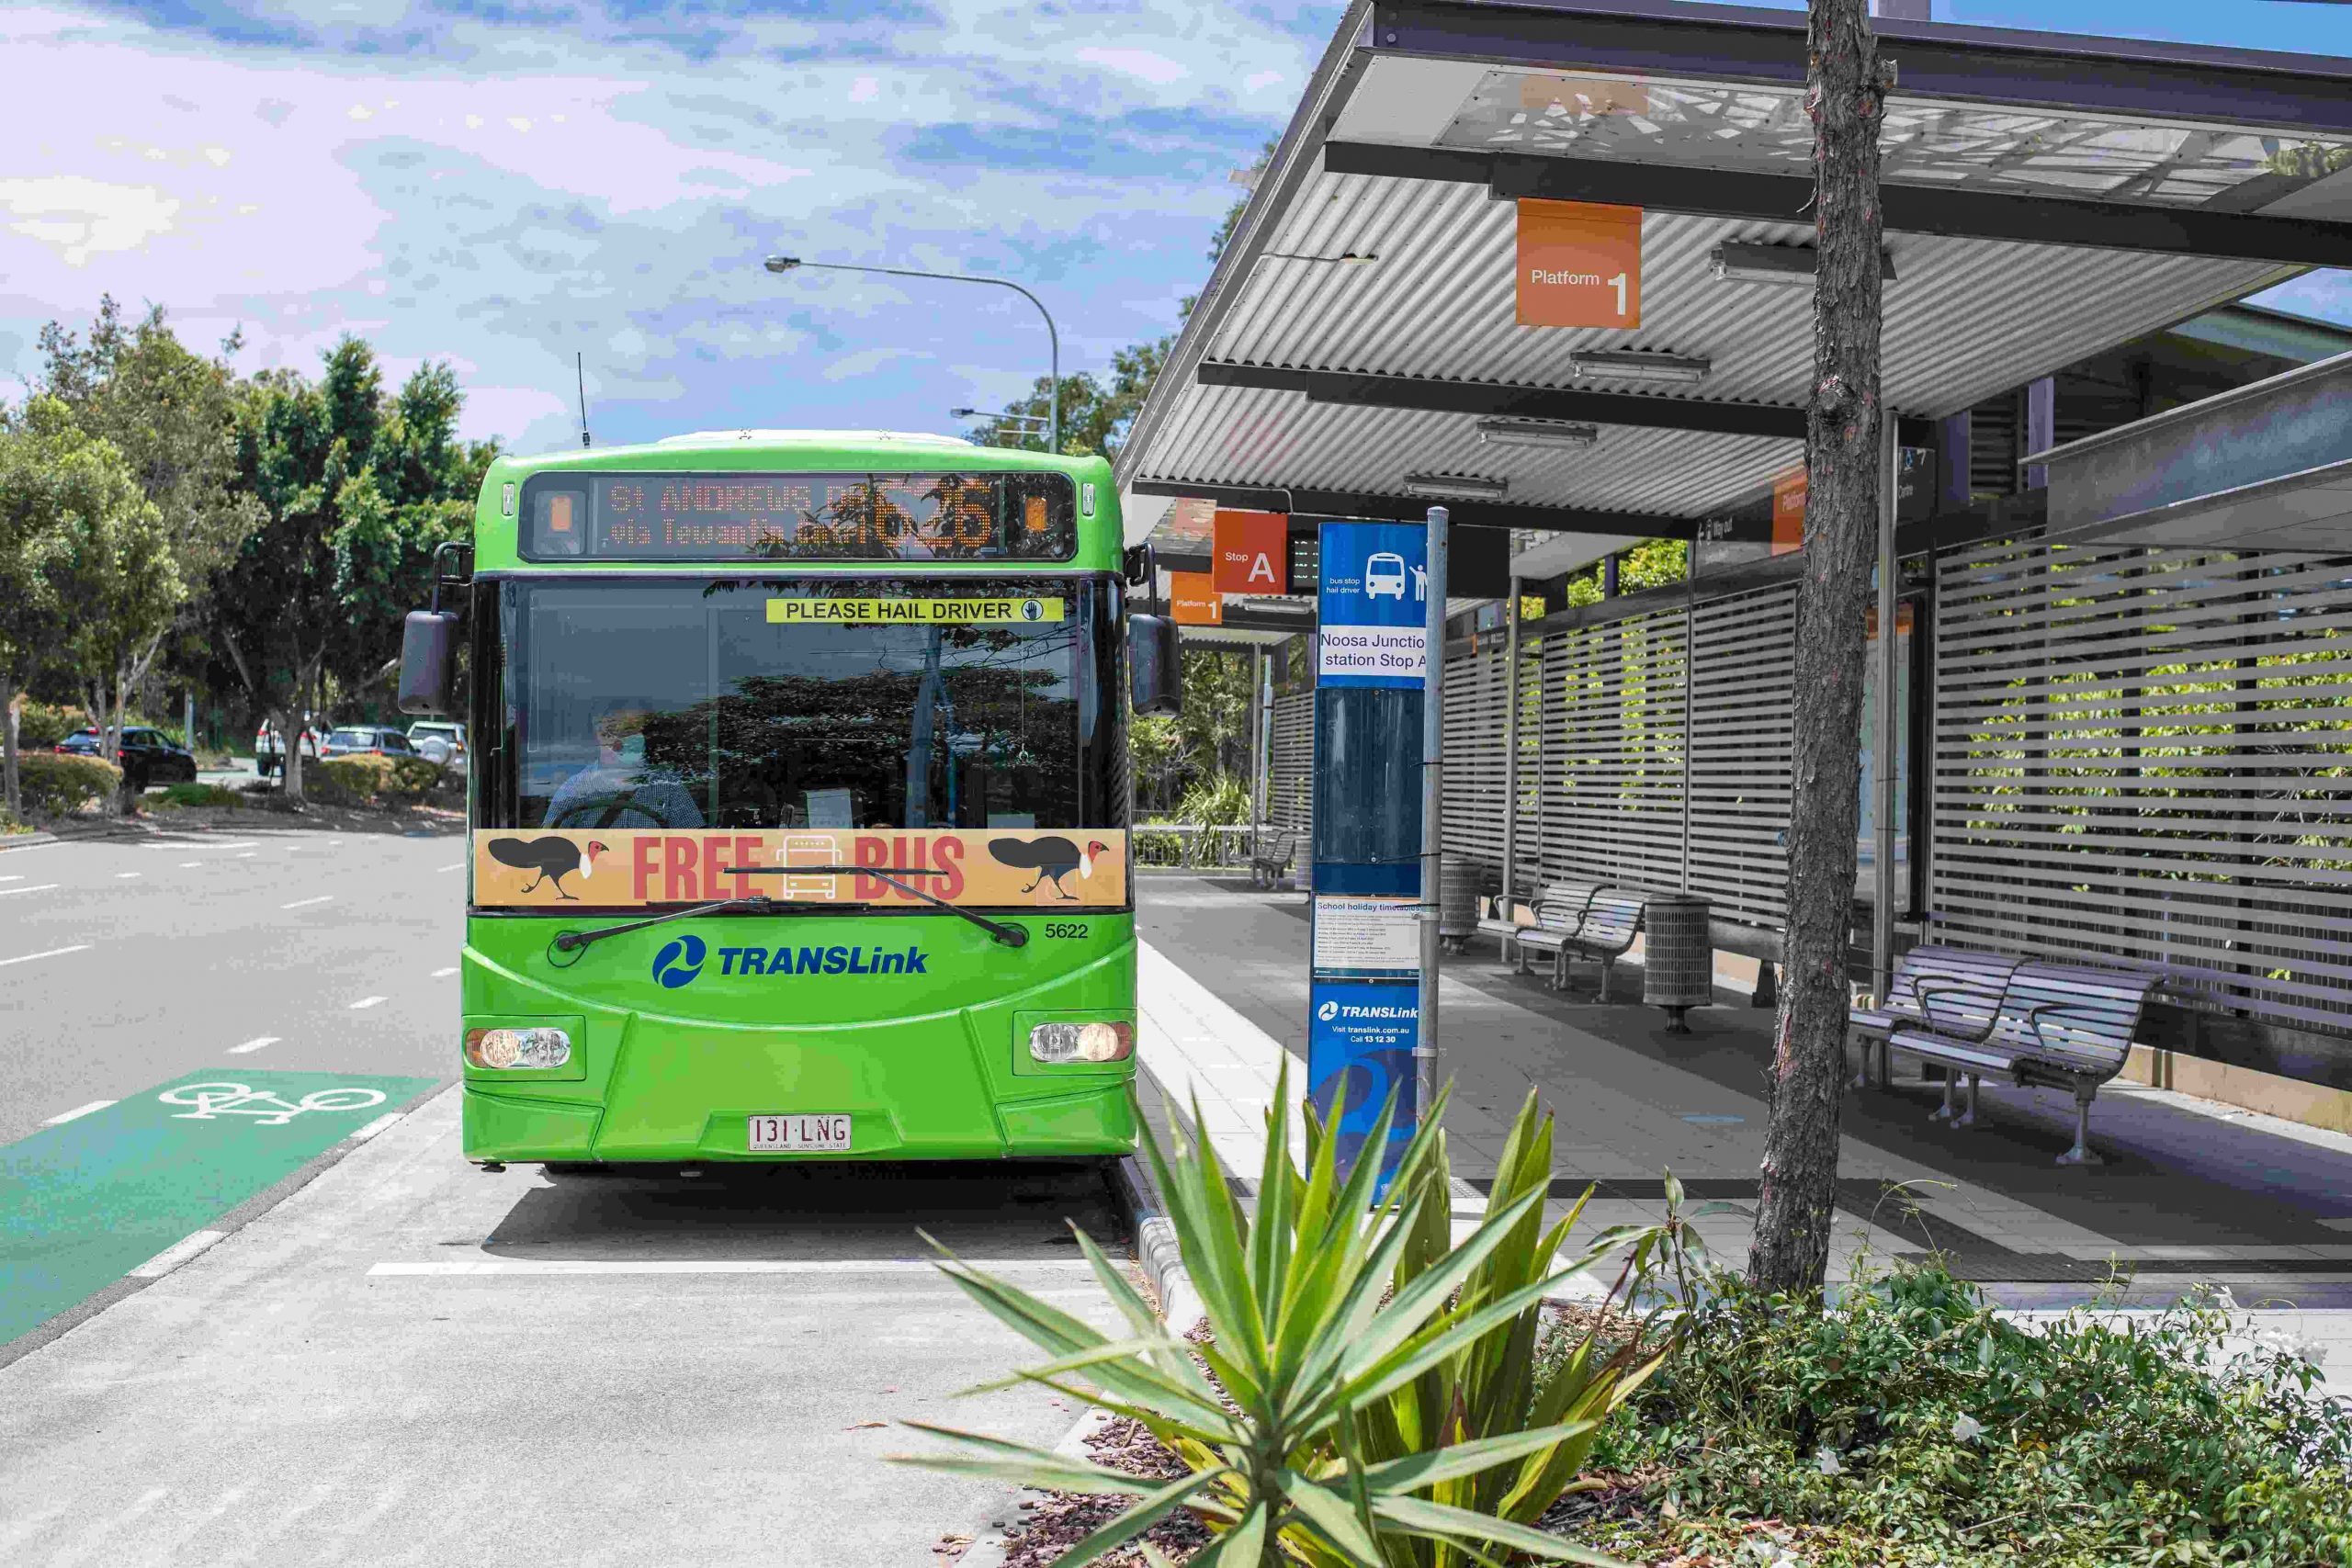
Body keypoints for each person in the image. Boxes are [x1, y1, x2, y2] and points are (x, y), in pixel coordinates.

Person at [544, 707, 705, 829]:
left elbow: (700, 845)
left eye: (632, 730)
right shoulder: (574, 790)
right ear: (600, 735)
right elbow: (547, 848)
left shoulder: (668, 786)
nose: (627, 738)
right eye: (617, 731)